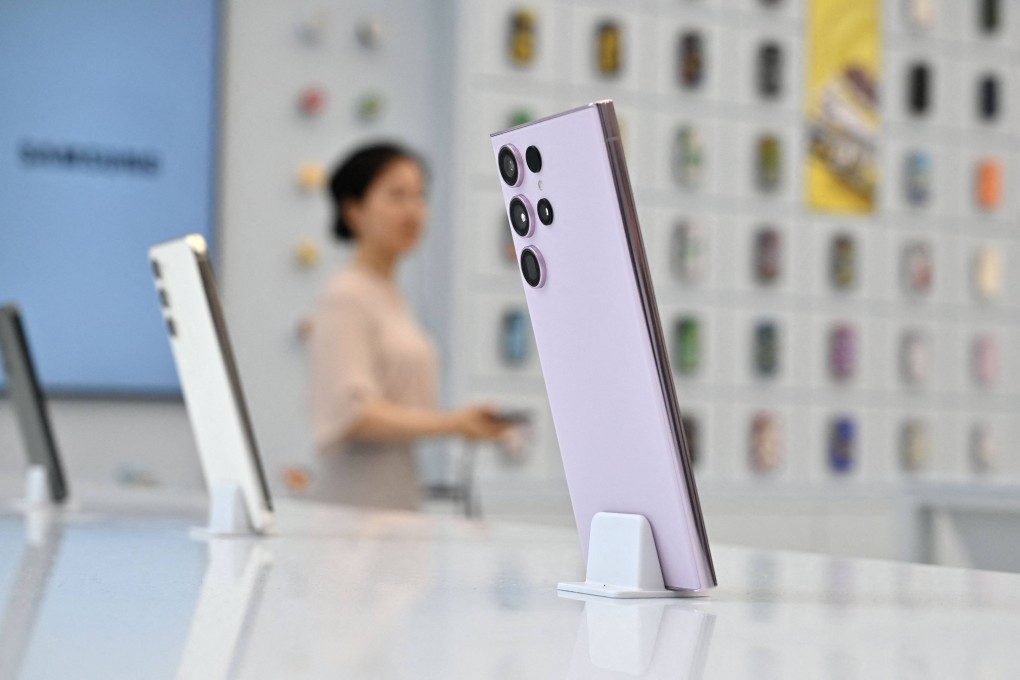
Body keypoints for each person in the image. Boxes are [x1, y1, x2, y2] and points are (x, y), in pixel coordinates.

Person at [309, 143, 510, 510]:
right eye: (396, 195)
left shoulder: (390, 294)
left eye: (419, 196)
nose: (413, 211)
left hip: (394, 503)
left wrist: (462, 422)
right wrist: (452, 424)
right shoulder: (346, 295)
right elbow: (355, 415)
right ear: (353, 211)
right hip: (353, 514)